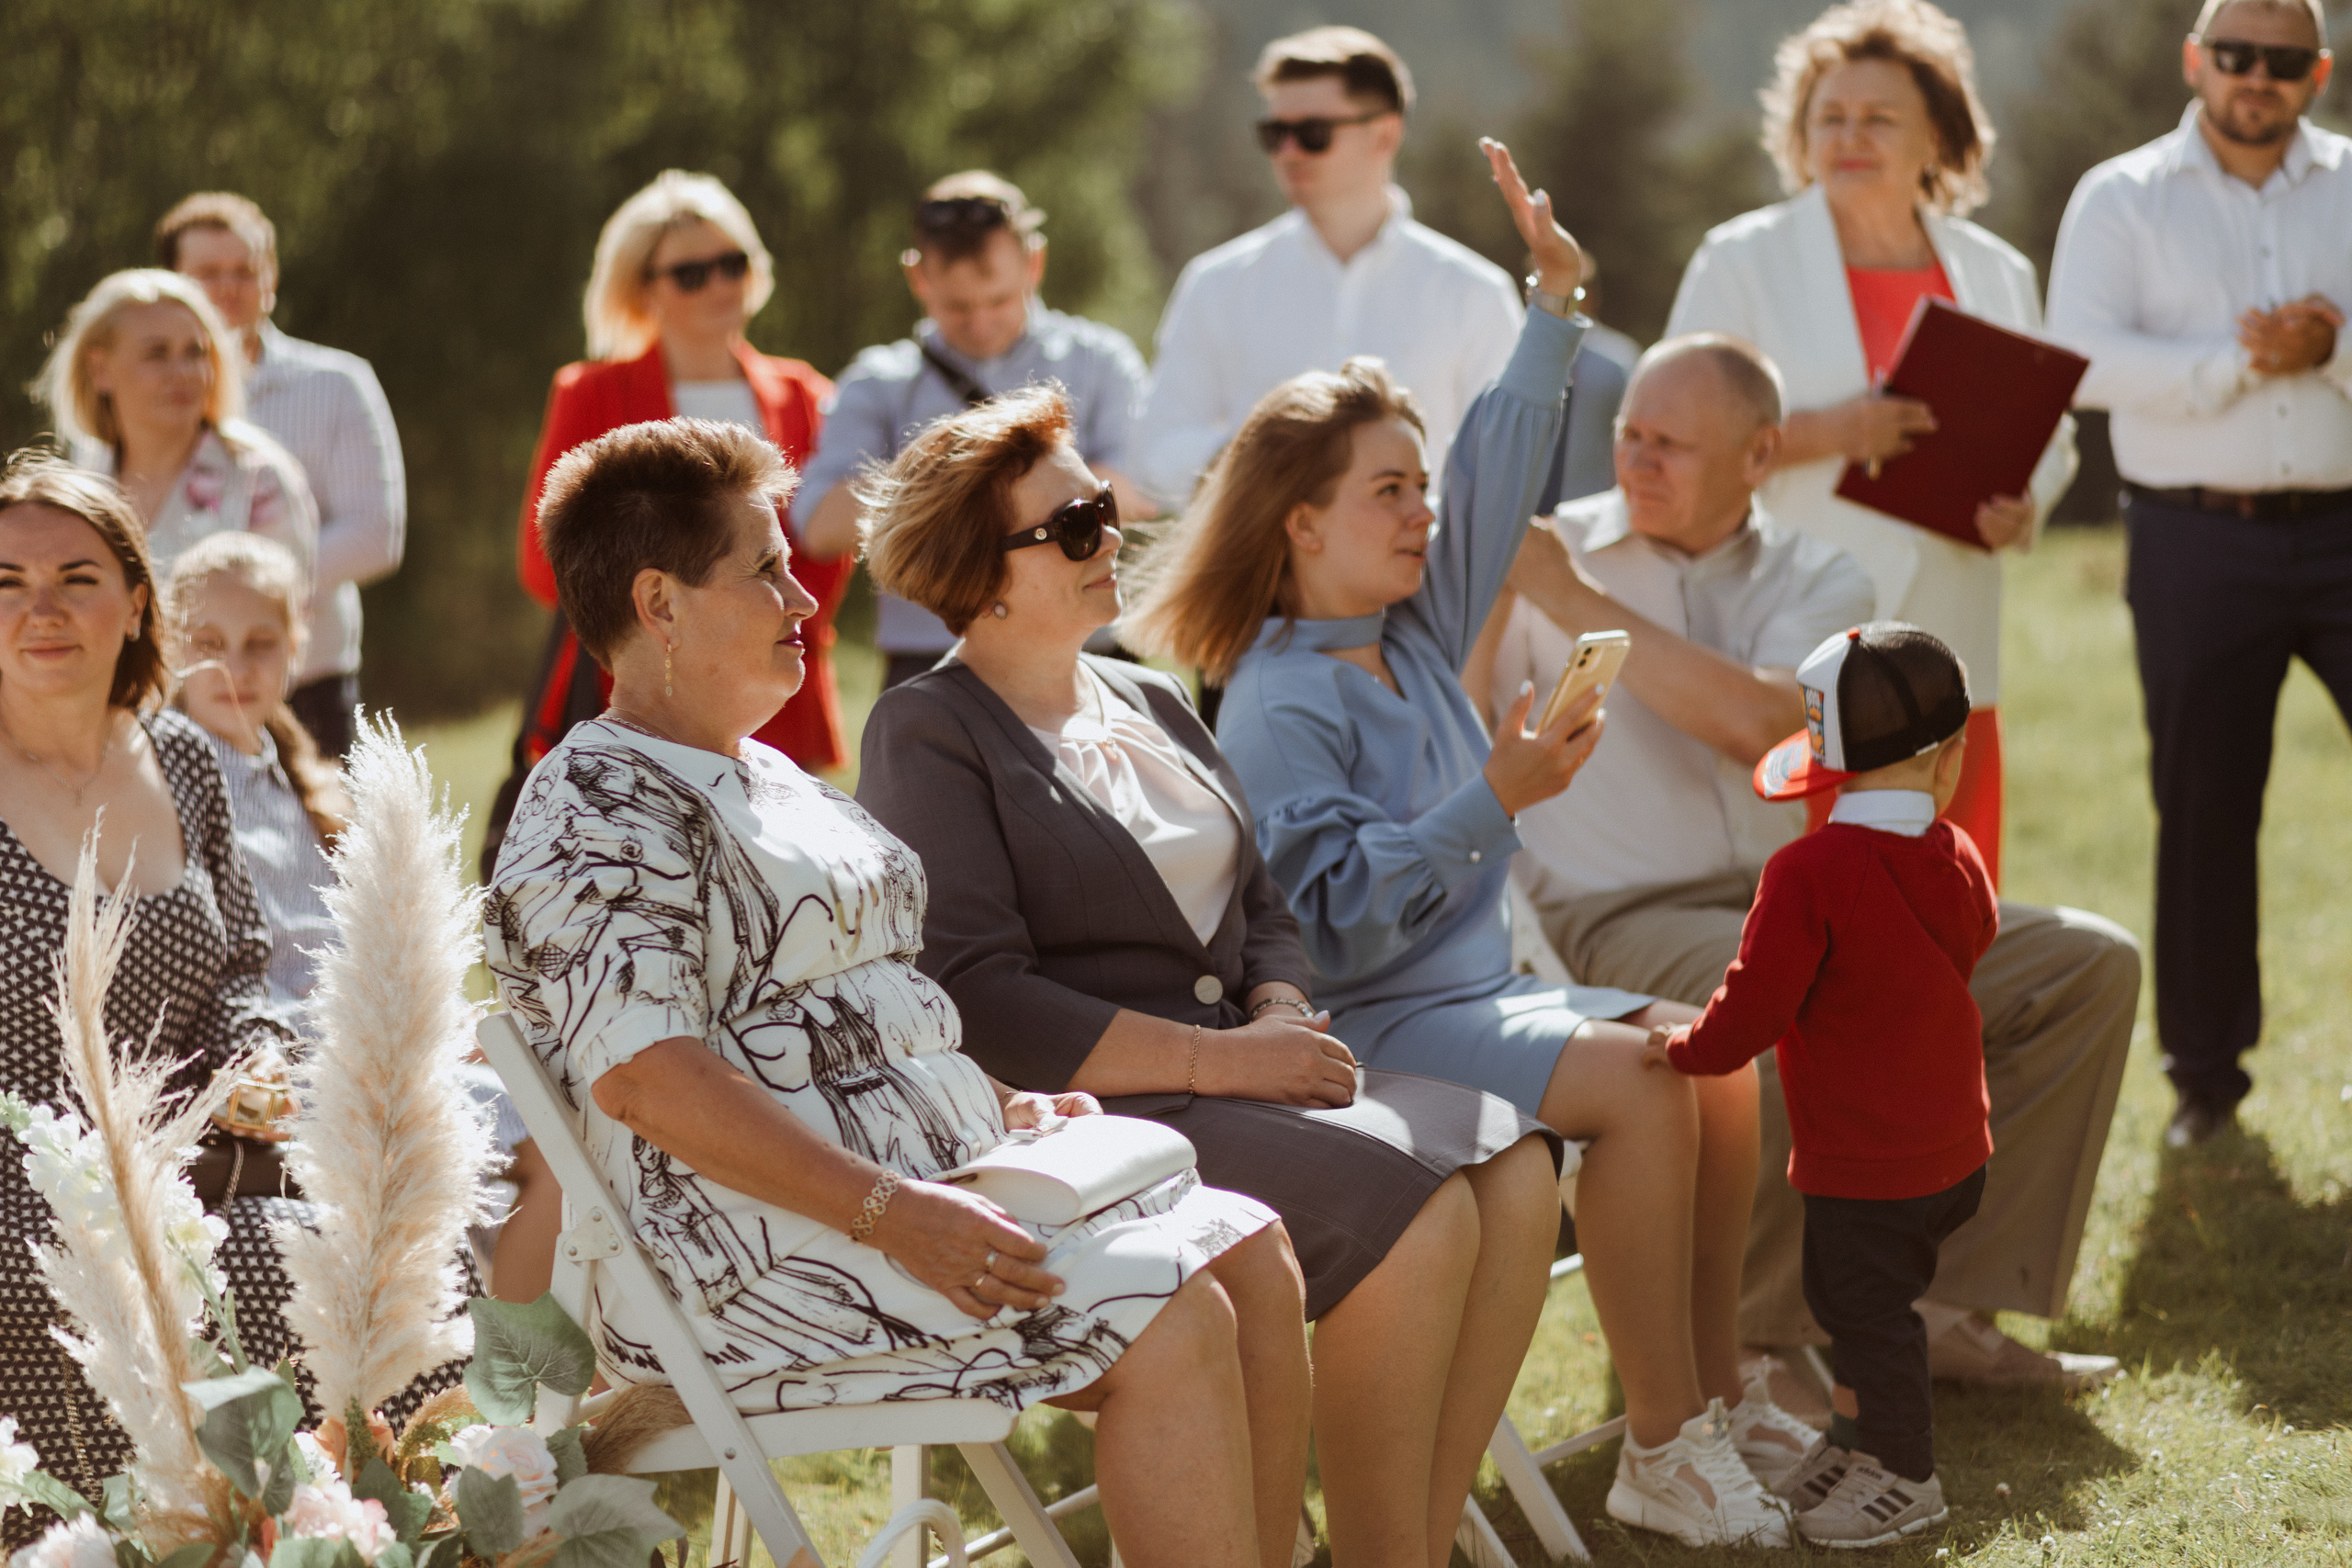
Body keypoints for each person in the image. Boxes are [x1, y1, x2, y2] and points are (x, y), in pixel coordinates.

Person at [483, 417, 1310, 1568]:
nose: (802, 597)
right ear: (659, 604)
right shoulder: (595, 805)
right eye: (764, 569)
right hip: (745, 1255)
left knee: (1250, 1258)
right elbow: (645, 1079)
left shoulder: (767, 774)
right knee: (1174, 1316)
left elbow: (867, 1014)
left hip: (914, 1193)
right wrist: (895, 1212)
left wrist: (995, 1106)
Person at [1144, 144, 1808, 1551]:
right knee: (1643, 1075)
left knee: (1717, 1055)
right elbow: (1333, 934)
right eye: (1388, 491)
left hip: (1474, 996)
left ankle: (1709, 1404)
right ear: (1300, 521)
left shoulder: (1408, 628)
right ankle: (1662, 1440)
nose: (1422, 512)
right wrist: (1492, 793)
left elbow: (1497, 476)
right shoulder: (1278, 696)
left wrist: (1555, 305)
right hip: (1375, 1023)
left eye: (1413, 484)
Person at [853, 390, 1567, 1561]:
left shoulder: (1148, 695)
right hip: (1104, 1112)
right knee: (1428, 1211)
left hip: (1239, 1069)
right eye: (1072, 527)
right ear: (985, 573)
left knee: (1519, 1159)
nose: (1108, 540)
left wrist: (1278, 1005)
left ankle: (1406, 1547)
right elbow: (980, 997)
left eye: (1104, 509)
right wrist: (1226, 1059)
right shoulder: (927, 731)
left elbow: (1261, 903)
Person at [1488, 334, 2139, 1394]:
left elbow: (1762, 726)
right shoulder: (1538, 558)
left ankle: (1937, 1303)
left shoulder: (1821, 574)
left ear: (1759, 458)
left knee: (2085, 967)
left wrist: (1577, 605)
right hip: (1614, 919)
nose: (1637, 461)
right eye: (1628, 436)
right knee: (1803, 988)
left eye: (1672, 445)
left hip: (1793, 894)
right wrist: (1537, 589)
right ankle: (1750, 1341)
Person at [0, 453, 453, 1549]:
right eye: (5, 582)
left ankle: (347, 1533)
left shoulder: (187, 758)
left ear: (138, 600)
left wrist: (256, 1055)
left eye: (75, 577)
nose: (41, 610)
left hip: (196, 1159)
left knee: (360, 1260)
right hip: (26, 1186)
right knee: (217, 1272)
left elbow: (244, 962)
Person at [1664, 0, 2077, 886]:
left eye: (1879, 118)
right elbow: (1674, 436)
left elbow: (2051, 429)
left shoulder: (1997, 269)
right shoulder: (1740, 260)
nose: (1851, 136)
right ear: (1799, 133)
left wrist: (2026, 503)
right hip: (1801, 640)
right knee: (1814, 907)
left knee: (1949, 900)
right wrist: (1831, 431)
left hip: (1953, 638)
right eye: (1830, 118)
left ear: (1938, 136)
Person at [2045, 0, 2351, 1147]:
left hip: (2345, 525)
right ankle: (2205, 1081)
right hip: (2191, 538)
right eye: (2235, 55)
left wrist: (2332, 354)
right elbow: (2078, 358)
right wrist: (2236, 363)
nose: (2254, 78)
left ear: (2315, 73)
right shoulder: (2118, 196)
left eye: (2280, 61)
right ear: (2195, 61)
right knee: (2204, 804)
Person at [1659, 623, 1995, 1547]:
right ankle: (1854, 1443)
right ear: (1950, 759)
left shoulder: (1807, 871)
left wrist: (1683, 1050)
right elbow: (1980, 931)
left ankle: (1904, 1475)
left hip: (1865, 1161)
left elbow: (1754, 1006)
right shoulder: (1956, 852)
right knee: (1858, 1307)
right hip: (1954, 1147)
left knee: (1869, 1319)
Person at [160, 532, 560, 1302]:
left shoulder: (302, 784)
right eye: (206, 643)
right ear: (170, 647)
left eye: (259, 644)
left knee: (563, 1094)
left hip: (363, 1045)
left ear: (298, 648)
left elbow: (356, 949)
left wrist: (441, 1026)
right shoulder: (169, 777)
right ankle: (525, 1382)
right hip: (279, 1066)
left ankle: (548, 1369)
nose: (234, 668)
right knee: (541, 1141)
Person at [507, 170, 848, 780]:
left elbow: (824, 549)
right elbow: (546, 562)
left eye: (732, 262)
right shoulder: (590, 393)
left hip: (782, 692)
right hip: (641, 704)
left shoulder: (808, 394)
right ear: (643, 292)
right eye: (691, 274)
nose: (718, 283)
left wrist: (759, 623)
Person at [1132, 26, 1523, 513]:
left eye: (1313, 134)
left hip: (1424, 580)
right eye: (1275, 134)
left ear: (1385, 134)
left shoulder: (1475, 294)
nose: (1289, 152)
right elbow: (1155, 451)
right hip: (1256, 581)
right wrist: (1261, 465)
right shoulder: (1216, 284)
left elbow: (1506, 472)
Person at [794, 172, 1152, 691]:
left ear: (1035, 264)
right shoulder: (877, 383)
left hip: (1088, 648)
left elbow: (1139, 489)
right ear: (918, 278)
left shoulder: (1101, 361)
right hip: (934, 662)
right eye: (957, 308)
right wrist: (1038, 491)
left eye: (1000, 300)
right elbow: (822, 525)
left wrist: (941, 494)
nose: (980, 323)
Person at [156, 191, 406, 759]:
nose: (227, 287)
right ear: (168, 282)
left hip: (307, 675)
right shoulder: (136, 395)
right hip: (168, 683)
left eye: (244, 270)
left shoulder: (337, 383)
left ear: (270, 280)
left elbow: (375, 535)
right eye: (207, 273)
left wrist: (241, 602)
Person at [37, 269, 319, 590]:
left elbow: (285, 617)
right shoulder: (83, 479)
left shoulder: (259, 480)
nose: (182, 372)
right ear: (100, 369)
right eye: (156, 354)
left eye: (195, 352)